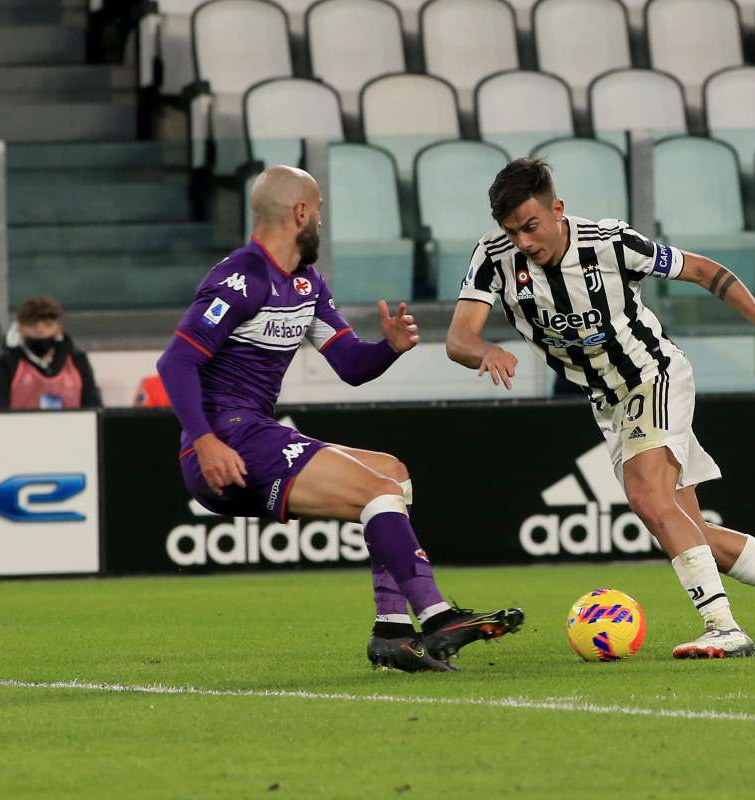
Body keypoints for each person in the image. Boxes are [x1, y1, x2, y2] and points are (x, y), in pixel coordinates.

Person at [446, 159, 755, 658]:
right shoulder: (493, 257)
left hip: (652, 376)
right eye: (512, 231)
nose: (524, 242)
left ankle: (723, 627)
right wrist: (483, 350)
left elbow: (707, 271)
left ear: (557, 209)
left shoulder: (610, 242)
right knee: (690, 531)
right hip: (608, 405)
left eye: (531, 227)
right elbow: (458, 337)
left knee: (647, 495)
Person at [156, 165, 522, 673]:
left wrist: (388, 349)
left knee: (391, 473)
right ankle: (437, 617)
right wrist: (204, 441)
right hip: (226, 441)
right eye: (320, 213)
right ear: (301, 213)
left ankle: (393, 633)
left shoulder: (306, 284)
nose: (322, 226)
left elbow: (350, 365)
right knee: (376, 491)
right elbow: (175, 362)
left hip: (254, 435)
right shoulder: (241, 278)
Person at [0, 295, 103, 411]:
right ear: (20, 327)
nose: (40, 331)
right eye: (32, 325)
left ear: (59, 327)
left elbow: (93, 406)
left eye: (48, 325)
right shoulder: (3, 361)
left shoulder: (77, 359)